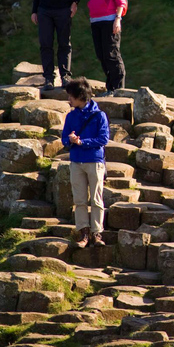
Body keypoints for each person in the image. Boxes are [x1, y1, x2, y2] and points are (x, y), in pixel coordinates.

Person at [61, 77, 110, 248]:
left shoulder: (99, 116)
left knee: (96, 199)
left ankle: (97, 233)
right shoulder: (71, 116)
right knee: (80, 200)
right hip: (76, 162)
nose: (69, 100)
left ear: (81, 96)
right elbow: (64, 139)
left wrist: (82, 142)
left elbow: (103, 139)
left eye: (71, 97)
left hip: (94, 161)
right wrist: (70, 140)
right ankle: (83, 233)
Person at [86, 0, 128, 97]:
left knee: (112, 54)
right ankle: (110, 87)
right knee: (101, 55)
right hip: (95, 20)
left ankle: (118, 88)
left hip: (110, 19)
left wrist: (118, 19)